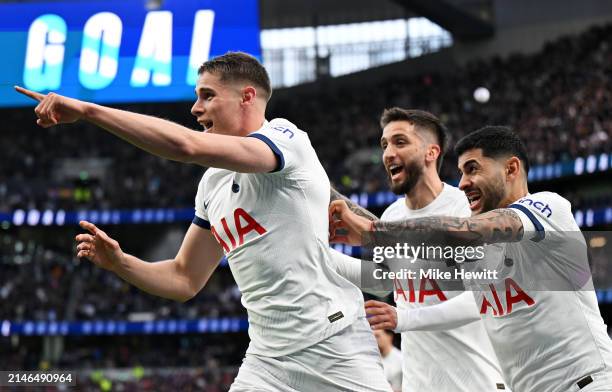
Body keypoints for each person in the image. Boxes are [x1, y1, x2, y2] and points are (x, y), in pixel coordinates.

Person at [16, 52, 391, 392]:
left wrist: (89, 111)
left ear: (247, 97)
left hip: (334, 343)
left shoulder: (286, 138)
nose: (195, 108)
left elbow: (187, 146)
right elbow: (183, 278)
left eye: (207, 96)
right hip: (266, 359)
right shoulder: (212, 183)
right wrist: (120, 263)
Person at [329, 126, 612, 392]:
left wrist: (376, 232)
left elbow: (468, 230)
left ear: (511, 168)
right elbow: (395, 273)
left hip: (586, 383)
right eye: (461, 172)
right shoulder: (482, 257)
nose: (463, 183)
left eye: (472, 169)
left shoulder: (547, 209)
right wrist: (325, 213)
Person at [328, 109, 507, 391]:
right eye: (384, 144)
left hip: (473, 381)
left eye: (400, 142)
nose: (388, 153)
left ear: (431, 152)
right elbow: (383, 280)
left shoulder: (466, 208)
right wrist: (318, 254)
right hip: (418, 382)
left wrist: (404, 319)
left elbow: (484, 299)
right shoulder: (391, 216)